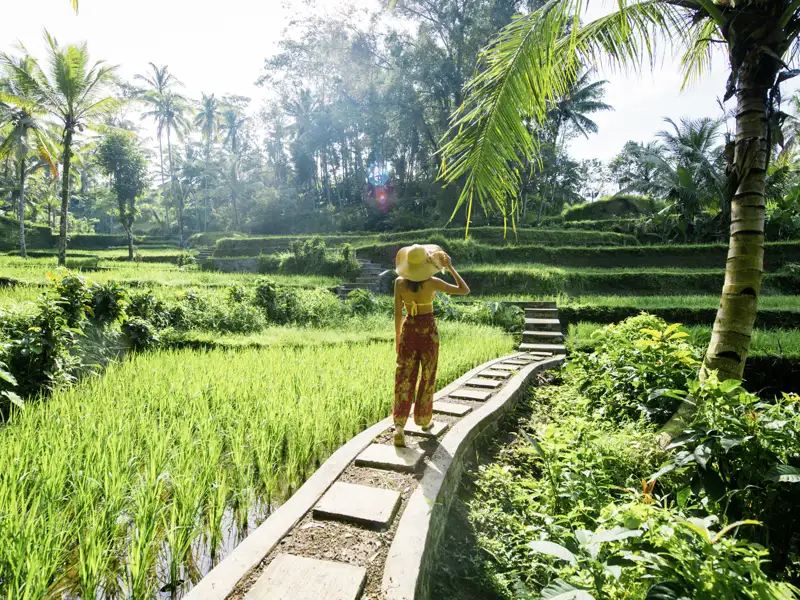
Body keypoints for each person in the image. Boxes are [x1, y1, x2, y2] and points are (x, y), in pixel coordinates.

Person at [393, 244, 470, 447]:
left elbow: (398, 314)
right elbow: (465, 290)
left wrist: (397, 338)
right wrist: (451, 268)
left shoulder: (399, 283)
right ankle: (424, 421)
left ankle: (399, 426)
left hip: (408, 330)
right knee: (427, 375)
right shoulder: (433, 282)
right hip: (428, 331)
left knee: (404, 376)